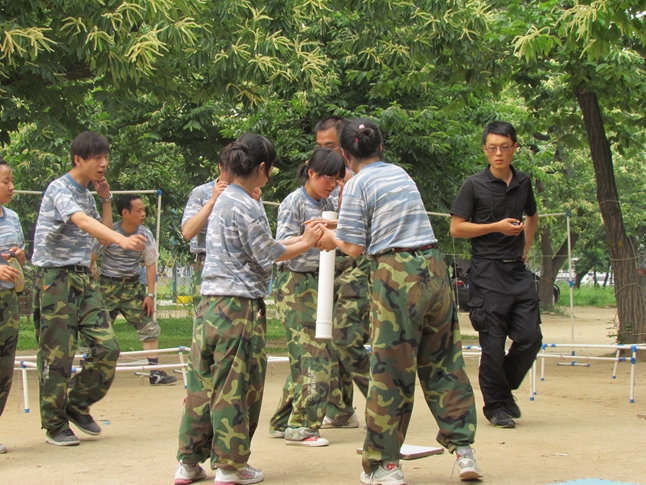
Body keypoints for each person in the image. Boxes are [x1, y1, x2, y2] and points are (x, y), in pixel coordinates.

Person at [319, 118, 482, 483]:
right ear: (380, 147)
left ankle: (384, 464)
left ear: (344, 154)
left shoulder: (357, 183)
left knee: (390, 371)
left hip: (396, 274)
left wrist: (331, 239)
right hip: (433, 268)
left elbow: (354, 247)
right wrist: (339, 230)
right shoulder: (400, 174)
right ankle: (464, 451)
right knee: (444, 361)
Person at [174, 134, 325, 485]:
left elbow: (263, 244)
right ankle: (230, 466)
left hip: (209, 303)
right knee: (236, 386)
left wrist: (300, 238)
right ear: (261, 168)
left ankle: (188, 462)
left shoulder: (223, 199)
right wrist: (306, 242)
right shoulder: (246, 204)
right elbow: (268, 254)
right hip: (238, 308)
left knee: (202, 385)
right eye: (270, 170)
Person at [32, 131, 147, 446]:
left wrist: (106, 199)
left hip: (83, 277)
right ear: (78, 160)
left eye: (106, 157)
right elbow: (82, 221)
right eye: (97, 158)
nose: (104, 163)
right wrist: (122, 239)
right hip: (55, 278)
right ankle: (54, 424)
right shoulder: (59, 188)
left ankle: (77, 402)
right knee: (58, 354)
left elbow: (101, 232)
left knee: (108, 347)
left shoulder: (86, 193)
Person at [450, 120, 542, 429]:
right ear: (485, 150)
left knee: (530, 337)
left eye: (504, 147)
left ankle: (503, 388)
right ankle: (496, 407)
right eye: (492, 148)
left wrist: (526, 247)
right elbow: (456, 228)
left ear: (515, 147)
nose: (498, 153)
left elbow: (533, 216)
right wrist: (496, 227)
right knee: (492, 345)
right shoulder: (473, 185)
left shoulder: (523, 182)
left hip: (518, 270)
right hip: (487, 271)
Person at [268, 147, 345, 447]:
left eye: (337, 179)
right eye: (328, 177)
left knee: (310, 353)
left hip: (320, 281)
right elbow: (281, 244)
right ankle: (302, 426)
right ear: (311, 172)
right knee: (314, 355)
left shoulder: (329, 202)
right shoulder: (294, 201)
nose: (332, 184)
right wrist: (309, 238)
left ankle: (283, 420)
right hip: (295, 283)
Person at [315, 116, 370, 429]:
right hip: (329, 266)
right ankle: (339, 409)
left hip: (358, 264)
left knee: (346, 336)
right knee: (329, 338)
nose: (326, 152)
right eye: (320, 146)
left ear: (346, 147)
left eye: (331, 145)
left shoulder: (359, 180)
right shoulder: (323, 180)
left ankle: (384, 401)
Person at [91, 194, 176, 385]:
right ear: (125, 213)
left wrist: (150, 295)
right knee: (95, 327)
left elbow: (151, 263)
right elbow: (91, 257)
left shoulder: (145, 234)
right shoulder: (109, 232)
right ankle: (88, 374)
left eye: (144, 210)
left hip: (133, 287)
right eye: (139, 210)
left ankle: (155, 373)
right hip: (107, 287)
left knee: (149, 326)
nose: (143, 214)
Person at [0, 159, 25, 454]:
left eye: (11, 180)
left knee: (4, 369)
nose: (11, 186)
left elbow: (21, 256)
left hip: (8, 302)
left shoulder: (13, 218)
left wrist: (19, 255)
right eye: (5, 181)